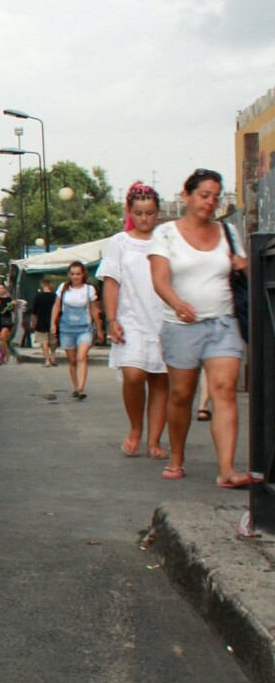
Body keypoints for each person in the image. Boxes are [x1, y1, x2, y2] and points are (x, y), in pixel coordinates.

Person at [149, 168, 256, 487]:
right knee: (181, 395)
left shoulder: (227, 232)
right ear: (187, 196)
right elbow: (159, 279)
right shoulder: (165, 234)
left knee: (224, 391)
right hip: (181, 326)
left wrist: (243, 265)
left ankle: (226, 470)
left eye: (215, 196)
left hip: (223, 322)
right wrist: (177, 303)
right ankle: (177, 456)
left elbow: (241, 266)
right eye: (203, 195)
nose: (210, 202)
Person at [99, 181, 169, 459]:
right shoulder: (118, 242)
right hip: (130, 318)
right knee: (133, 374)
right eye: (139, 212)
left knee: (160, 379)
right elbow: (111, 283)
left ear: (158, 212)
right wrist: (112, 318)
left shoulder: (166, 241)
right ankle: (135, 428)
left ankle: (154, 441)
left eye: (150, 213)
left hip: (163, 317)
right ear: (130, 210)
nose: (144, 218)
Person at [51, 261, 102, 400]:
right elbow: (56, 307)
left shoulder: (89, 289)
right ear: (69, 275)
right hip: (66, 328)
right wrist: (53, 323)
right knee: (72, 360)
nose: (75, 277)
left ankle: (81, 388)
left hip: (84, 328)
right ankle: (76, 387)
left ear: (83, 274)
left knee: (81, 357)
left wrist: (99, 328)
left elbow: (94, 309)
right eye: (72, 274)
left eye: (78, 274)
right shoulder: (63, 288)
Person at [29, 278, 59, 367]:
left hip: (41, 322)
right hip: (53, 321)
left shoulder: (38, 297)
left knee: (44, 342)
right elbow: (59, 309)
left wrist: (32, 321)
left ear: (42, 285)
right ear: (51, 285)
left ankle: (47, 360)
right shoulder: (55, 296)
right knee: (53, 341)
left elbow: (34, 312)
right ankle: (53, 357)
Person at [0, 283, 16, 350]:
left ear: (5, 289)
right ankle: (3, 353)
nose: (1, 289)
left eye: (2, 288)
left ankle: (6, 353)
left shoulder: (9, 299)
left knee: (3, 336)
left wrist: (14, 305)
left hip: (6, 320)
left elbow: (12, 310)